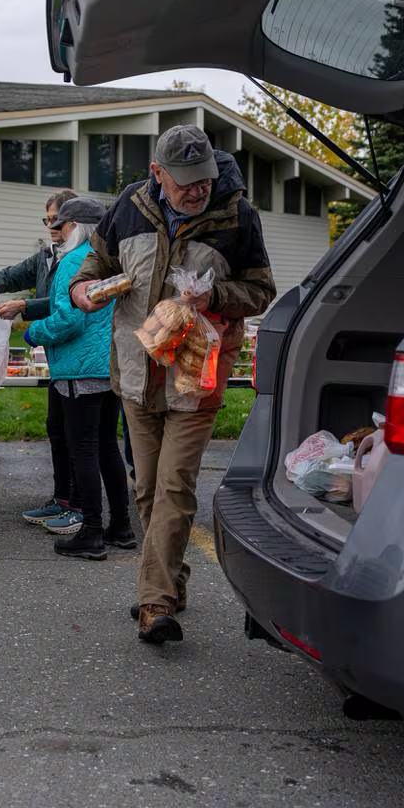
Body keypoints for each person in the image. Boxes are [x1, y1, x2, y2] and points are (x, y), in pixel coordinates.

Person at [71, 125, 275, 643]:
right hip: (138, 372)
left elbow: (261, 291)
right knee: (146, 487)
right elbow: (97, 261)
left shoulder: (237, 217)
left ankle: (154, 603)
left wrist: (216, 298)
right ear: (158, 173)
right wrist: (83, 290)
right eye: (185, 182)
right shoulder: (130, 206)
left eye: (203, 179)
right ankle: (172, 582)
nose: (197, 190)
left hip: (195, 378)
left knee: (175, 486)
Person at [20, 197, 133, 560]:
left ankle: (91, 530)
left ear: (77, 228)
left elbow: (69, 320)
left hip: (77, 368)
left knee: (82, 448)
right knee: (107, 448)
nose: (58, 231)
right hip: (109, 365)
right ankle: (122, 526)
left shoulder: (73, 262)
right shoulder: (110, 260)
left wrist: (33, 332)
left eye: (63, 225)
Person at [0, 188, 77, 525]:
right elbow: (10, 274)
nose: (51, 226)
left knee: (80, 435)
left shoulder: (83, 257)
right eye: (47, 219)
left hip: (78, 356)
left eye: (56, 220)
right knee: (56, 428)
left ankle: (78, 506)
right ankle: (62, 498)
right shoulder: (45, 256)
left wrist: (25, 307)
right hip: (56, 355)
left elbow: (70, 304)